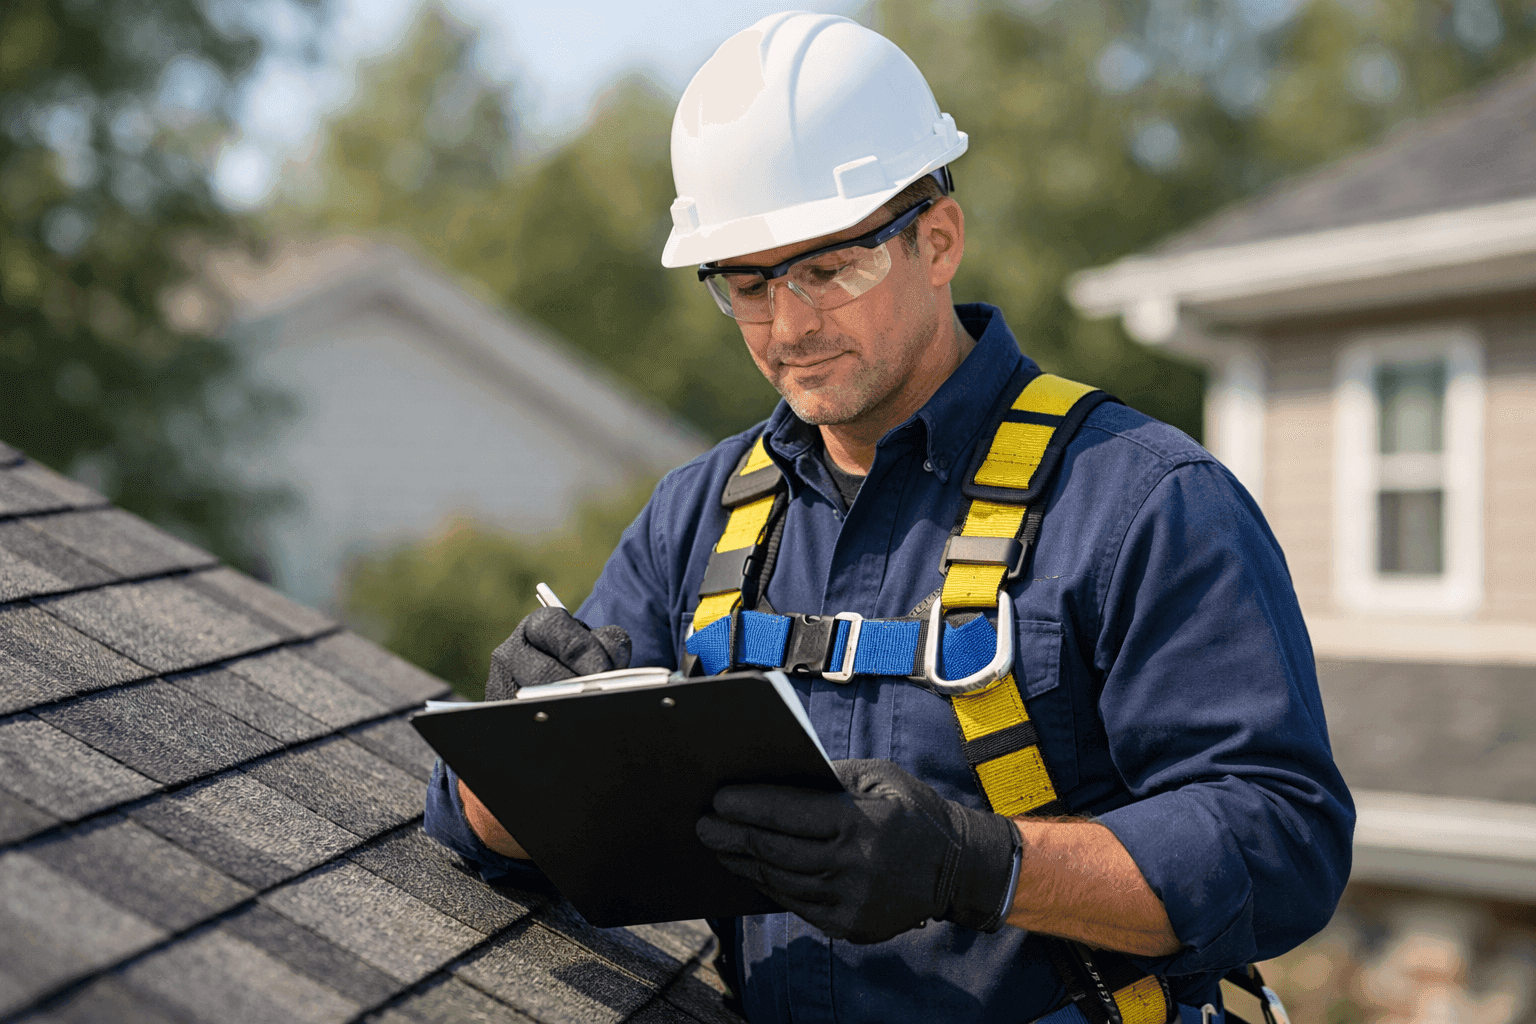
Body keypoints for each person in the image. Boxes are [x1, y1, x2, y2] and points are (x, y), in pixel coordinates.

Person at [424, 11, 1353, 1024]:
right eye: (748, 283)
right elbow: (482, 836)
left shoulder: (1139, 502)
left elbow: (1282, 839)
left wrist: (977, 866)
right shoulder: (698, 519)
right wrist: (518, 753)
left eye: (828, 269)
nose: (790, 326)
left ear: (939, 240)